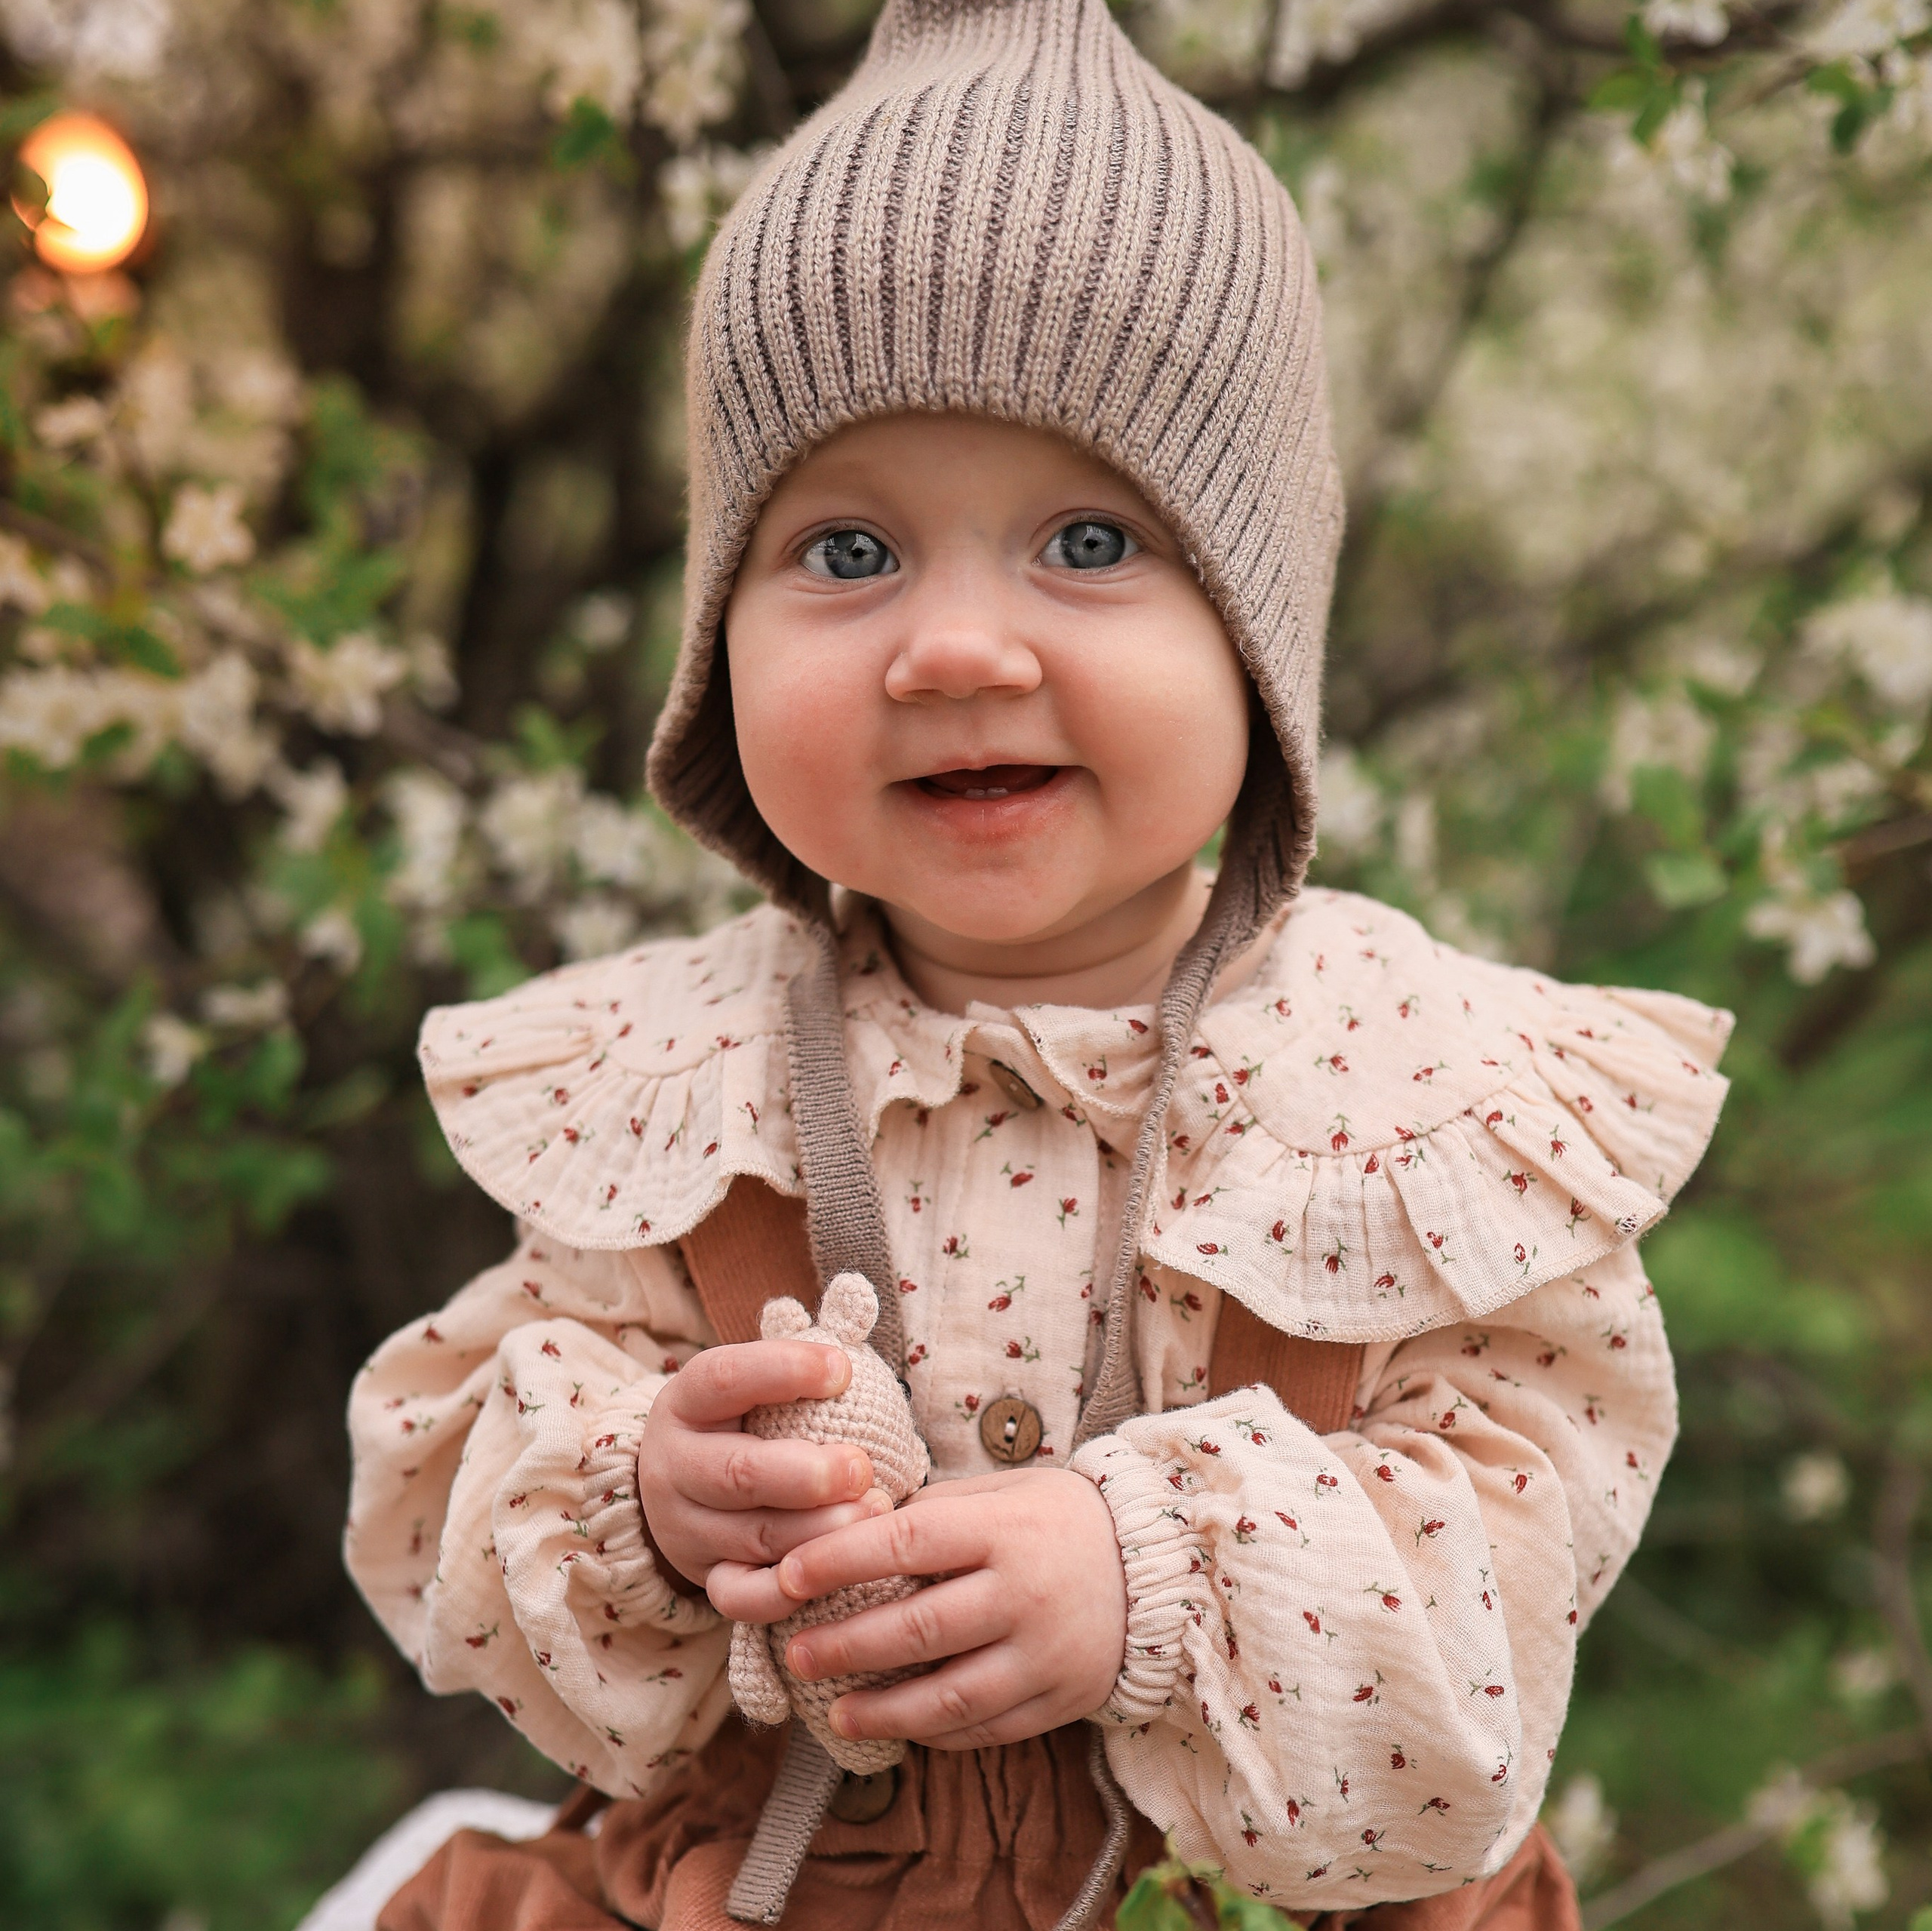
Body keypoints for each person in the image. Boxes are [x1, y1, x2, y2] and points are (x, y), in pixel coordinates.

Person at [344, 0, 1731, 1925]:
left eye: (1086, 538)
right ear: (713, 634)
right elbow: (456, 1511)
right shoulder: (673, 1094)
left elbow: (1505, 1555)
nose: (954, 649)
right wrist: (650, 1505)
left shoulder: (1405, 1095)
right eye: (843, 554)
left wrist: (1155, 1577)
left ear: (1255, 635)